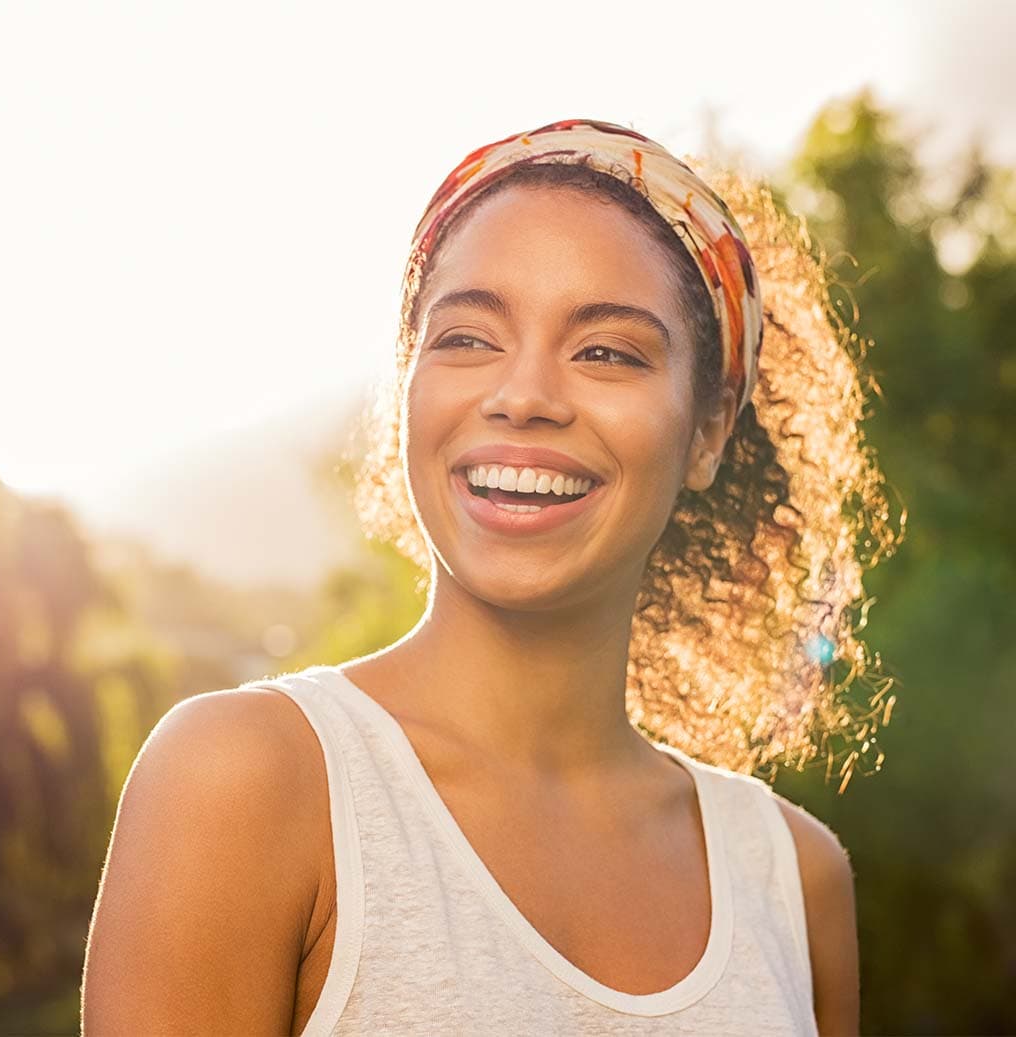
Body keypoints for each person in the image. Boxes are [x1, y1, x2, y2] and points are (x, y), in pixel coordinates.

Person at [82, 118, 892, 1035]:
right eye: (467, 338)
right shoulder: (246, 781)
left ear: (707, 430)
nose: (523, 396)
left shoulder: (793, 878)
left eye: (607, 352)